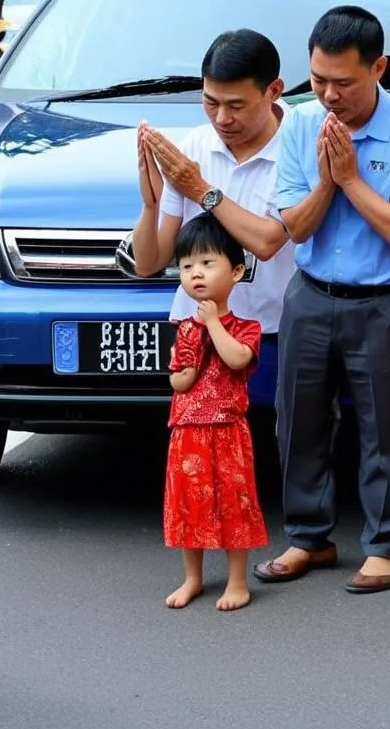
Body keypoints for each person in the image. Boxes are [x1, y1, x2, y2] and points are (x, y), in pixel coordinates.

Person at [255, 5, 390, 594]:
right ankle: (308, 537)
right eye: (318, 80)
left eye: (343, 81)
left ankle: (386, 544)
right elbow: (296, 226)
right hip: (310, 295)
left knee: (385, 427)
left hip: (383, 301)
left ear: (378, 68)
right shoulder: (299, 125)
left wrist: (352, 177)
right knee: (297, 422)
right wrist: (326, 182)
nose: (329, 95)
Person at [132, 29, 292, 341]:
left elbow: (267, 243)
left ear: (273, 90)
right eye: (210, 102)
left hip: (270, 332)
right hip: (197, 332)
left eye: (236, 105)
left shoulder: (298, 145)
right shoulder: (194, 146)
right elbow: (149, 263)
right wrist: (150, 206)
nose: (221, 118)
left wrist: (201, 190)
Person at [163, 213, 268, 612]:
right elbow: (180, 382)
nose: (196, 274)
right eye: (187, 266)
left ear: (236, 271)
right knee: (189, 505)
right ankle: (192, 578)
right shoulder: (185, 328)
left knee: (232, 504)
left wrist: (213, 324)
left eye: (208, 264)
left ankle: (238, 582)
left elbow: (238, 359)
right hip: (187, 428)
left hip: (227, 429)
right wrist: (181, 358)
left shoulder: (245, 327)